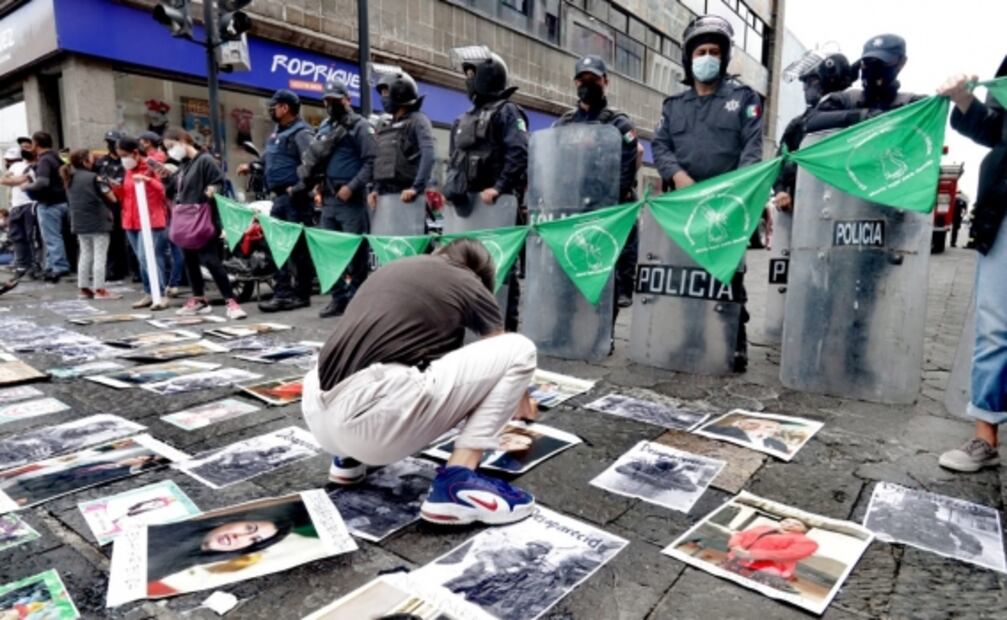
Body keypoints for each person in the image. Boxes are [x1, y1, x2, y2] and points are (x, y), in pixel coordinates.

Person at [302, 239, 538, 526]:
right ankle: (457, 482)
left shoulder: (394, 268)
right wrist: (522, 404)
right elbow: (501, 346)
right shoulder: (468, 280)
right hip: (371, 421)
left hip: (318, 415)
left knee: (382, 358)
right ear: (480, 275)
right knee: (521, 348)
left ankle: (348, 461)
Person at [652, 15, 763, 372]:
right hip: (685, 206)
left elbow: (751, 148)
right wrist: (677, 175)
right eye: (701, 51)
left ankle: (734, 341)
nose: (708, 57)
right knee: (686, 275)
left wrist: (737, 190)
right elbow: (660, 145)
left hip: (725, 207)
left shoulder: (744, 99)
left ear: (725, 56)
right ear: (689, 57)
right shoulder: (674, 106)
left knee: (729, 275)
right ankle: (689, 339)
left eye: (715, 51)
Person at [938, 60, 1007, 472]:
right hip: (1004, 207)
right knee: (995, 322)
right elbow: (993, 128)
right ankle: (985, 435)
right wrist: (964, 100)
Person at [444, 47, 529, 330]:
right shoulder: (464, 118)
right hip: (467, 208)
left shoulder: (508, 112)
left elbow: (519, 152)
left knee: (500, 270)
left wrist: (499, 187)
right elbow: (455, 161)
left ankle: (504, 330)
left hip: (495, 206)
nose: (468, 80)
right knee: (464, 268)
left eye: (472, 74)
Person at [555, 54, 641, 309]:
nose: (586, 84)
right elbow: (554, 163)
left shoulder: (619, 123)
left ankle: (607, 330)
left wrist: (610, 199)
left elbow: (627, 167)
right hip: (574, 207)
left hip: (609, 208)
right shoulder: (564, 123)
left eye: (593, 79)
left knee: (609, 273)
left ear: (606, 82)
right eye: (581, 79)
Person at [296, 76, 376, 318]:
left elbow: (372, 161)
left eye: (334, 100)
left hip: (351, 199)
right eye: (326, 101)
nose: (330, 105)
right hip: (329, 199)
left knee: (355, 252)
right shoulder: (325, 127)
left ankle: (357, 297)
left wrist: (352, 186)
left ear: (347, 100)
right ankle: (338, 298)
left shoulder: (360, 126)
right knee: (329, 251)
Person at [163, 128, 247, 320]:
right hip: (186, 220)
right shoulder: (184, 166)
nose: (170, 151)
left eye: (171, 146)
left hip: (203, 218)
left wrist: (204, 198)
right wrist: (166, 178)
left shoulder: (205, 160)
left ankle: (231, 302)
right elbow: (174, 192)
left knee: (210, 260)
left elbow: (218, 183)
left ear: (183, 140)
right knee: (190, 260)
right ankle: (199, 299)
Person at [145, 500, 314, 594]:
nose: (240, 538)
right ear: (237, 518)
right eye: (249, 528)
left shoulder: (182, 562)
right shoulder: (171, 521)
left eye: (254, 540)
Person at [254, 90, 315, 313]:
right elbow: (267, 159)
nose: (271, 110)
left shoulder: (301, 133)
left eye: (274, 106)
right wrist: (253, 166)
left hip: (295, 199)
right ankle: (284, 293)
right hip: (279, 198)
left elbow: (312, 164)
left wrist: (299, 188)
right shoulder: (277, 133)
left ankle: (298, 294)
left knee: (298, 250)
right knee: (277, 247)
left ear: (285, 108)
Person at [773, 53, 856, 211]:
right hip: (803, 207)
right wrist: (780, 191)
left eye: (812, 80)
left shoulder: (856, 114)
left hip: (846, 204)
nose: (806, 88)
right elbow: (780, 162)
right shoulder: (797, 125)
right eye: (804, 82)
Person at [806, 34, 924, 133]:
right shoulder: (847, 99)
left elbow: (938, 106)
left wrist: (943, 93)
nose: (873, 69)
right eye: (868, 62)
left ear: (901, 63)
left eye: (881, 62)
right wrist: (862, 116)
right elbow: (809, 120)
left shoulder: (911, 103)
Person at [366, 68, 436, 214]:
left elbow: (428, 154)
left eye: (386, 92)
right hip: (386, 200)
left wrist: (416, 188)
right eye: (382, 93)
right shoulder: (388, 125)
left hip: (408, 199)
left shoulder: (418, 120)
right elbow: (383, 162)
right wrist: (376, 190)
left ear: (399, 93)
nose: (383, 97)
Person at [117, 136, 170, 310]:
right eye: (120, 156)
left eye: (125, 155)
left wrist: (149, 180)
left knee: (150, 257)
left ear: (134, 152)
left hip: (152, 219)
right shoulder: (128, 170)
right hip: (131, 220)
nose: (123, 160)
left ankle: (160, 293)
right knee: (141, 258)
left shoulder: (152, 164)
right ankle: (149, 292)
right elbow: (126, 194)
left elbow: (166, 189)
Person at [60, 149, 121, 300]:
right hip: (97, 220)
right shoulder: (95, 178)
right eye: (91, 158)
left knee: (85, 253)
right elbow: (112, 198)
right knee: (100, 255)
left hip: (79, 221)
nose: (94, 160)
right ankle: (100, 289)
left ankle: (84, 288)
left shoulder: (70, 178)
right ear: (85, 161)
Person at [20, 131, 70, 282]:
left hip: (49, 204)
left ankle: (58, 267)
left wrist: (27, 186)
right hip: (63, 201)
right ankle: (50, 267)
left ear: (36, 144)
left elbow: (42, 182)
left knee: (51, 238)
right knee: (54, 237)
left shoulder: (45, 160)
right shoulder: (57, 157)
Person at [724, 518, 819, 589]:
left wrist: (752, 554)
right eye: (787, 521)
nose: (789, 525)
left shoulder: (807, 541)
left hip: (766, 572)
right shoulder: (763, 527)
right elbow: (740, 535)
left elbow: (790, 554)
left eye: (797, 524)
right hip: (736, 562)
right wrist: (735, 546)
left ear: (805, 530)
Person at [96, 129, 132, 283]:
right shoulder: (101, 162)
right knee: (111, 237)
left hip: (124, 202)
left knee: (126, 238)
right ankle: (113, 269)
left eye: (114, 143)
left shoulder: (127, 162)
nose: (112, 146)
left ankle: (129, 268)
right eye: (109, 143)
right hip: (107, 204)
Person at [0, 146, 39, 278]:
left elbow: (18, 180)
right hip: (16, 206)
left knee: (30, 237)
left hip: (29, 204)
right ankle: (22, 265)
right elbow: (4, 180)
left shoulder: (30, 166)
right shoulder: (14, 167)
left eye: (11, 159)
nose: (9, 162)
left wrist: (12, 179)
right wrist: (13, 179)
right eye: (8, 160)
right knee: (17, 237)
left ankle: (33, 265)